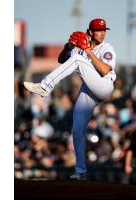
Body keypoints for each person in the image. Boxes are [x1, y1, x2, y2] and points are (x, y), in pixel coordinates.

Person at [24, 18, 117, 180]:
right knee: (77, 129)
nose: (102, 33)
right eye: (98, 30)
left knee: (77, 60)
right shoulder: (81, 48)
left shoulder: (107, 48)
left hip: (104, 85)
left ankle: (45, 87)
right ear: (90, 32)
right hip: (88, 89)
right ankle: (80, 171)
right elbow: (62, 60)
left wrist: (87, 52)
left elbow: (104, 70)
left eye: (104, 30)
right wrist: (68, 47)